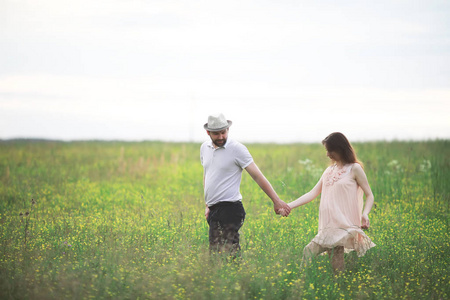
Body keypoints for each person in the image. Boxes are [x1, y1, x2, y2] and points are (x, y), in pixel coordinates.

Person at [280, 132, 375, 272]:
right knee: (335, 267)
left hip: (342, 226)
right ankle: (330, 286)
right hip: (328, 226)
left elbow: (370, 195)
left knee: (310, 252)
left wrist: (365, 214)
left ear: (341, 149)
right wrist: (289, 206)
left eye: (330, 151)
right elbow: (312, 193)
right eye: (326, 151)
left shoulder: (354, 169)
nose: (327, 154)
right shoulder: (329, 170)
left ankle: (300, 282)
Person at [200, 113, 291, 255]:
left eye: (223, 132)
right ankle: (231, 275)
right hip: (214, 209)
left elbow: (257, 176)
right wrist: (208, 205)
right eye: (216, 134)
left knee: (228, 251)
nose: (221, 137)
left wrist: (277, 201)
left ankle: (238, 275)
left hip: (231, 208)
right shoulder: (204, 148)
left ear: (228, 130)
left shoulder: (237, 149)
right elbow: (208, 174)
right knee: (216, 253)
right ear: (208, 133)